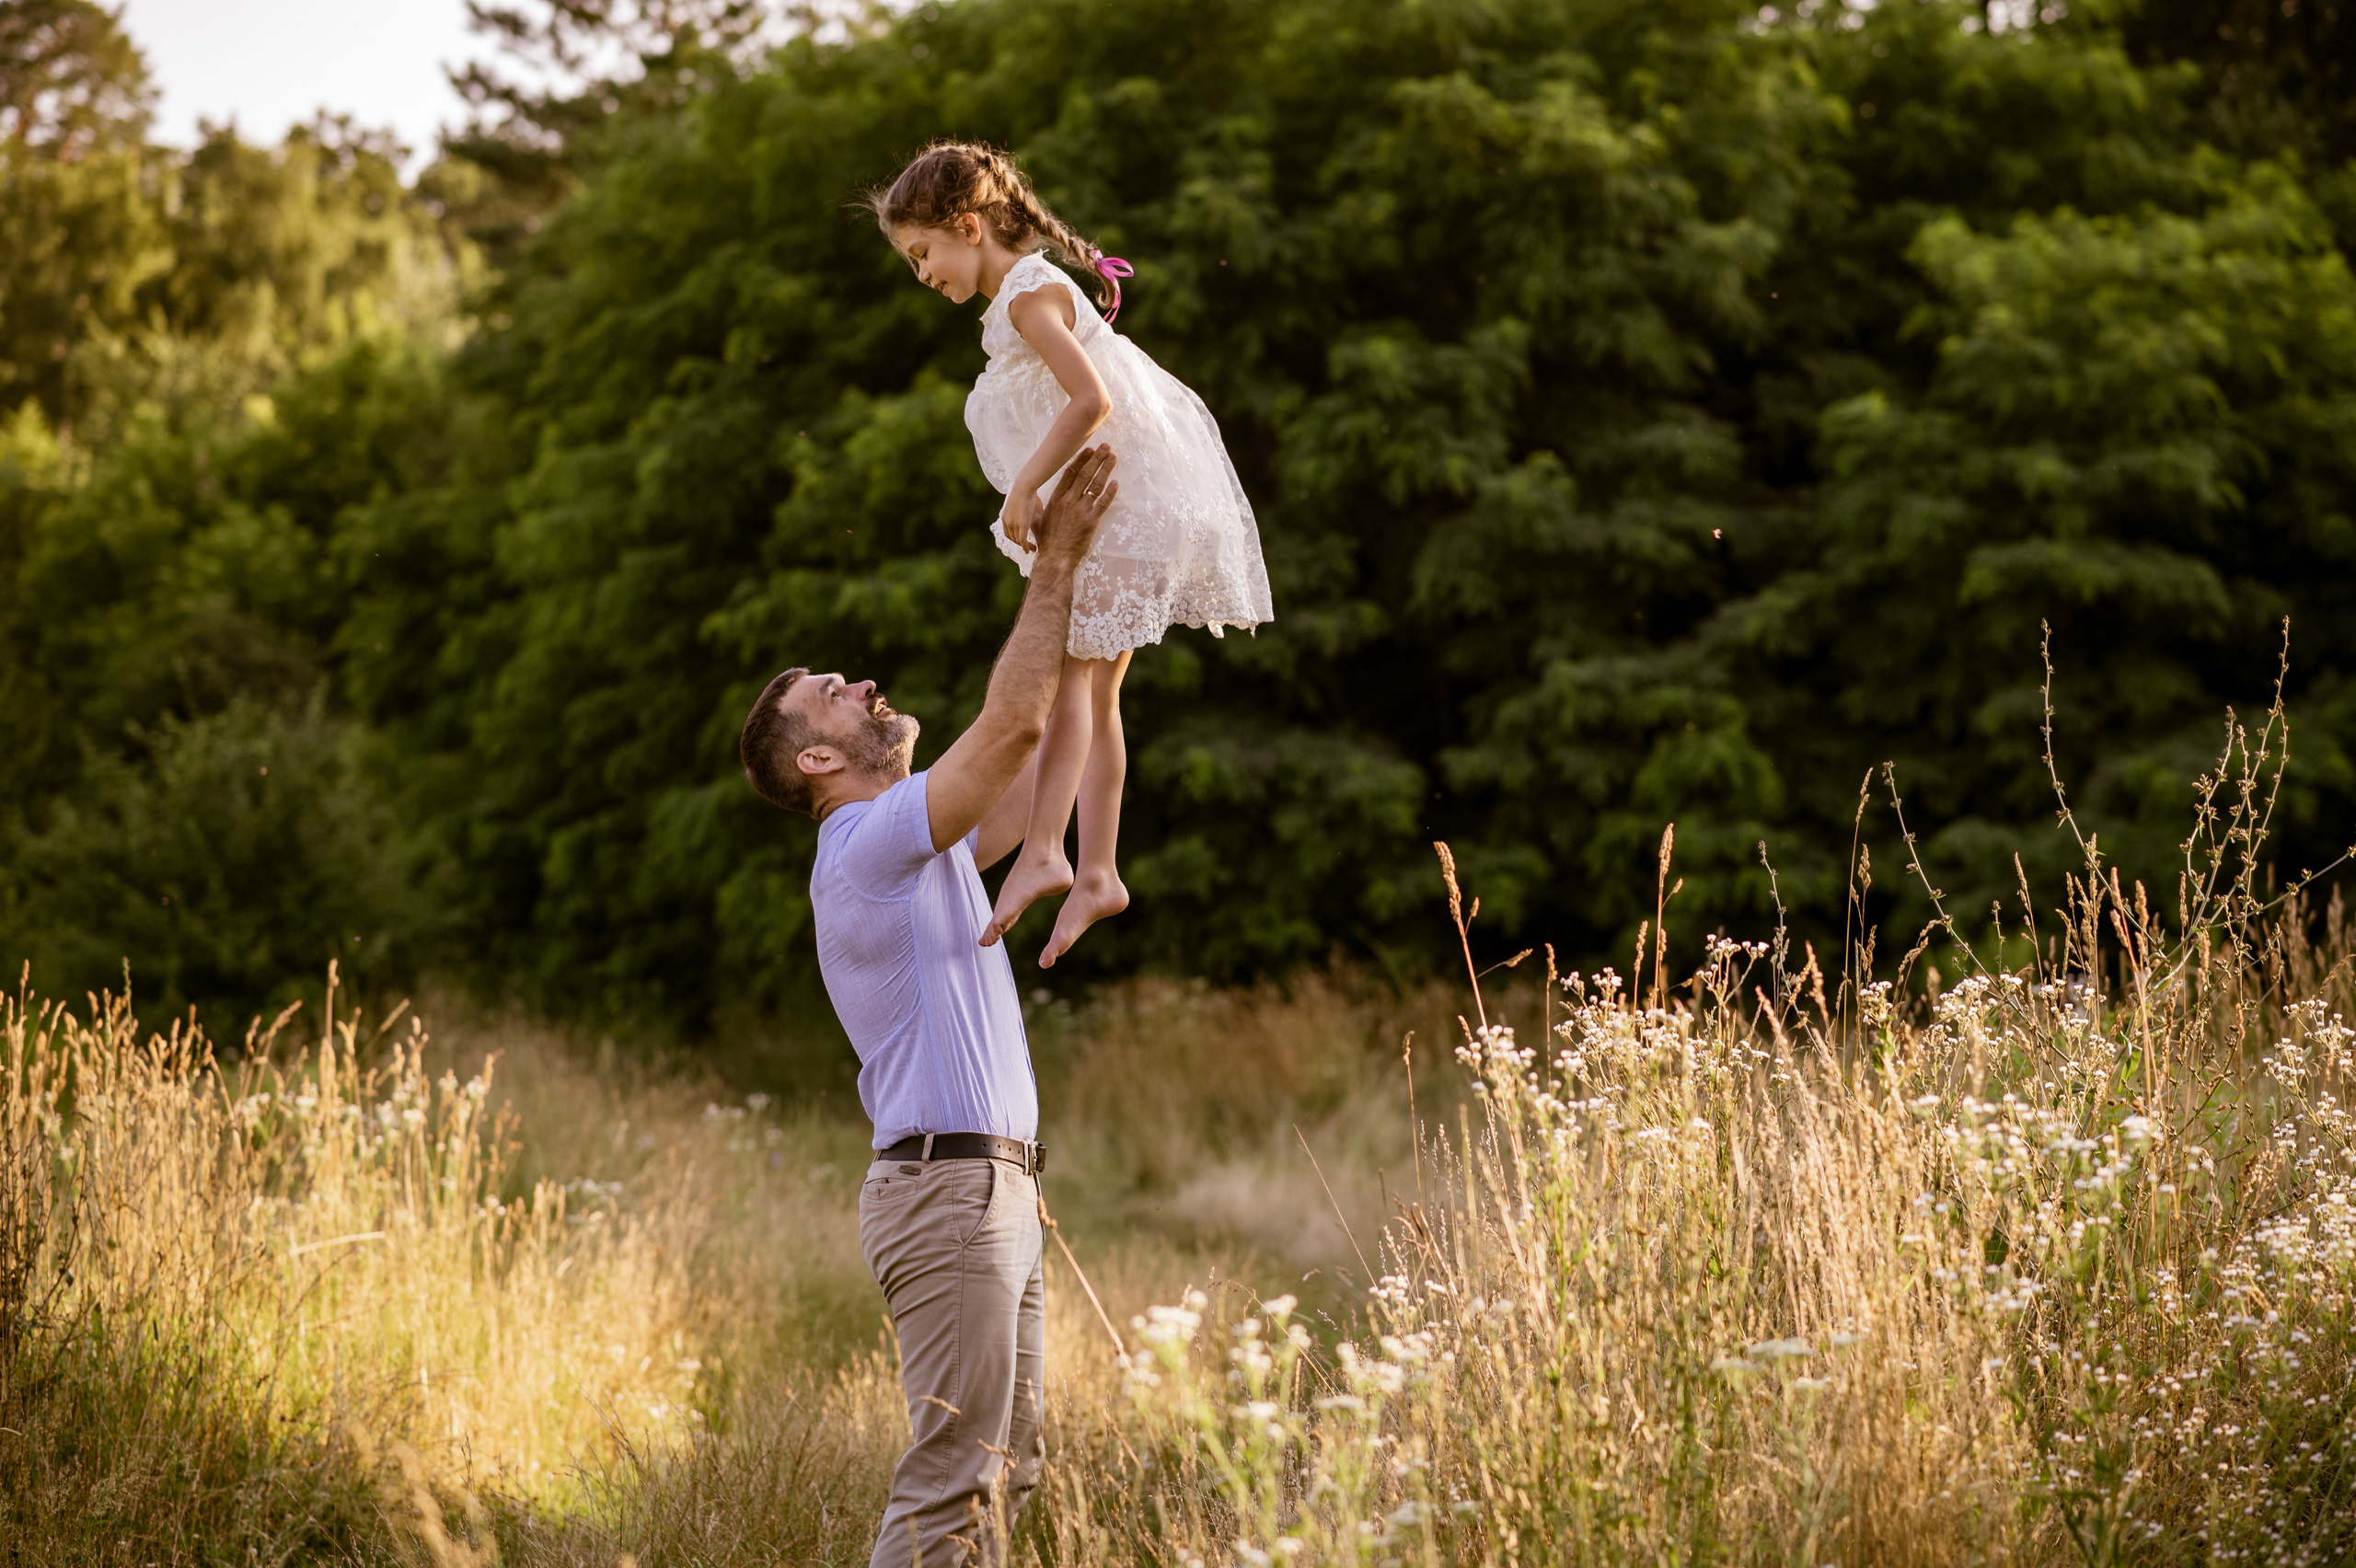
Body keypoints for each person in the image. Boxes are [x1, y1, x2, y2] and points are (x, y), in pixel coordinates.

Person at [736, 446, 1121, 1568]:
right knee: (954, 1486)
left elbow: (1043, 737)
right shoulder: (861, 840)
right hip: (946, 1188)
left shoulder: (925, 845)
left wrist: (1089, 592)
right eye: (833, 694)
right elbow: (1003, 731)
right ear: (817, 757)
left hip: (988, 1182)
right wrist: (1051, 565)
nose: (862, 685)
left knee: (1007, 1481)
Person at [869, 141, 1274, 967]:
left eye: (922, 254)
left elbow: (1092, 398)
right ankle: (1096, 869)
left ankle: (1052, 849)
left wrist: (1025, 486)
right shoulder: (1025, 294)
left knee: (1074, 683)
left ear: (969, 226)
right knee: (1098, 689)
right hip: (1135, 504)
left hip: (1120, 505)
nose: (921, 275)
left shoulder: (1026, 293)